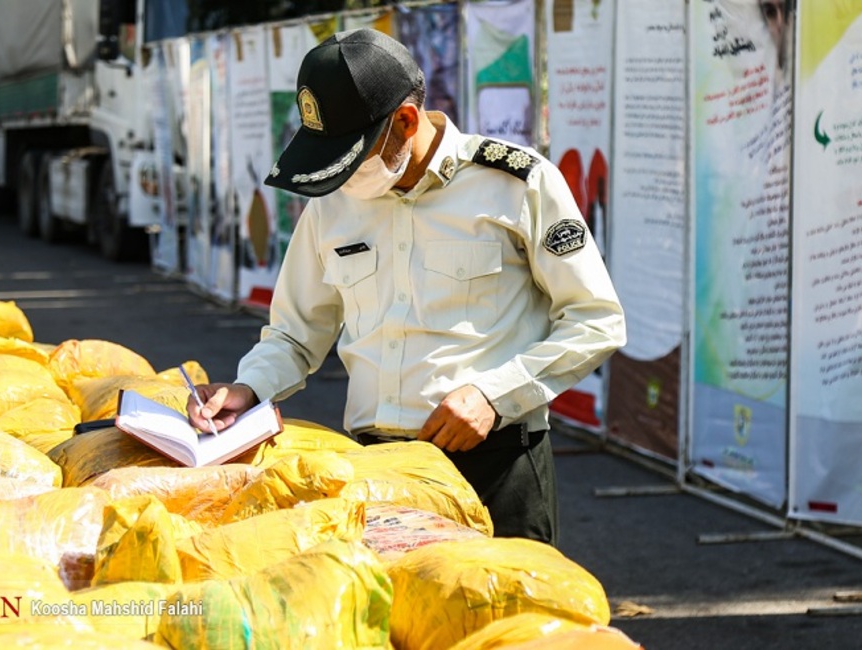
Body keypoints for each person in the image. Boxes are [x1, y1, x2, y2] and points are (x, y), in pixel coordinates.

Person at [186, 28, 625, 547]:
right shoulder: (333, 202)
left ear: (406, 121)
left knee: (506, 627)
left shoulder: (516, 183)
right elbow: (295, 334)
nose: (345, 178)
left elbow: (596, 320)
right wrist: (249, 389)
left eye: (354, 157)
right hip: (376, 472)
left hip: (495, 466)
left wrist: (495, 395)